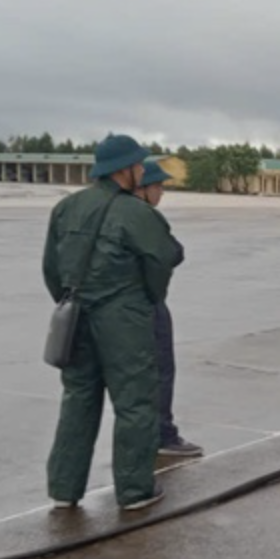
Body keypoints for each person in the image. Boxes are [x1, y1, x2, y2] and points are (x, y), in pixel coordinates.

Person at [42, 134, 180, 512]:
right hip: (123, 319)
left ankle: (64, 488)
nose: (142, 171)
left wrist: (70, 302)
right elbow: (163, 258)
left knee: (78, 400)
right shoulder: (135, 213)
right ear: (124, 170)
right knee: (135, 402)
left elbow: (51, 269)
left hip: (76, 317)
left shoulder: (66, 208)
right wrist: (147, 298)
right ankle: (135, 490)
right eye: (138, 165)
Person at [134, 159, 202, 458]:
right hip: (145, 305)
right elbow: (172, 253)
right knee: (159, 370)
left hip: (107, 309)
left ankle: (137, 439)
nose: (161, 192)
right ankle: (162, 434)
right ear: (142, 188)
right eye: (158, 186)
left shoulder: (99, 210)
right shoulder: (144, 217)